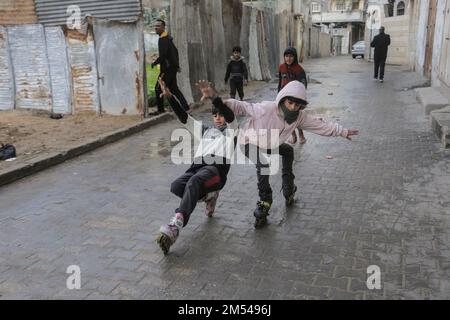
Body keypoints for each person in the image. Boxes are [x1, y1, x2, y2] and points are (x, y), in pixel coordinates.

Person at [224, 81, 359, 228]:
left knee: (288, 151)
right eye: (290, 103)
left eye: (298, 105)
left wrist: (342, 132)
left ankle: (288, 187)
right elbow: (243, 107)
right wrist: (223, 103)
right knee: (263, 164)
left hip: (271, 144)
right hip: (250, 142)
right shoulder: (267, 108)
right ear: (283, 99)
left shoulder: (299, 117)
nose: (293, 107)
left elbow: (319, 125)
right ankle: (265, 201)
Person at [156, 79, 239, 254]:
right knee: (177, 186)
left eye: (221, 115)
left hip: (216, 170)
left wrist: (214, 98)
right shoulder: (205, 131)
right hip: (197, 168)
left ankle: (176, 225)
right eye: (215, 115)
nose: (218, 118)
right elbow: (185, 118)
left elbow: (230, 117)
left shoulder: (232, 132)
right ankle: (209, 196)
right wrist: (170, 97)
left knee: (194, 182)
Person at [151, 19, 189, 114]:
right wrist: (176, 65)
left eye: (158, 26)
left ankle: (161, 110)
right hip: (172, 68)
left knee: (158, 88)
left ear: (163, 27)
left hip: (167, 69)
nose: (156, 27)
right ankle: (187, 108)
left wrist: (155, 62)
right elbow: (175, 52)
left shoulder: (163, 39)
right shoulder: (168, 38)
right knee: (174, 89)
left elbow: (163, 55)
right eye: (155, 26)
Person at [279, 46, 308, 145]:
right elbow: (280, 82)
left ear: (294, 57)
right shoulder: (281, 67)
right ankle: (293, 136)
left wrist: (301, 99)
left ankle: (301, 135)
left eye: (291, 56)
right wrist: (279, 94)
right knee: (286, 118)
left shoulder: (299, 69)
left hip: (295, 99)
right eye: (286, 56)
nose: (288, 58)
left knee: (296, 117)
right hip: (284, 98)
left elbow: (303, 84)